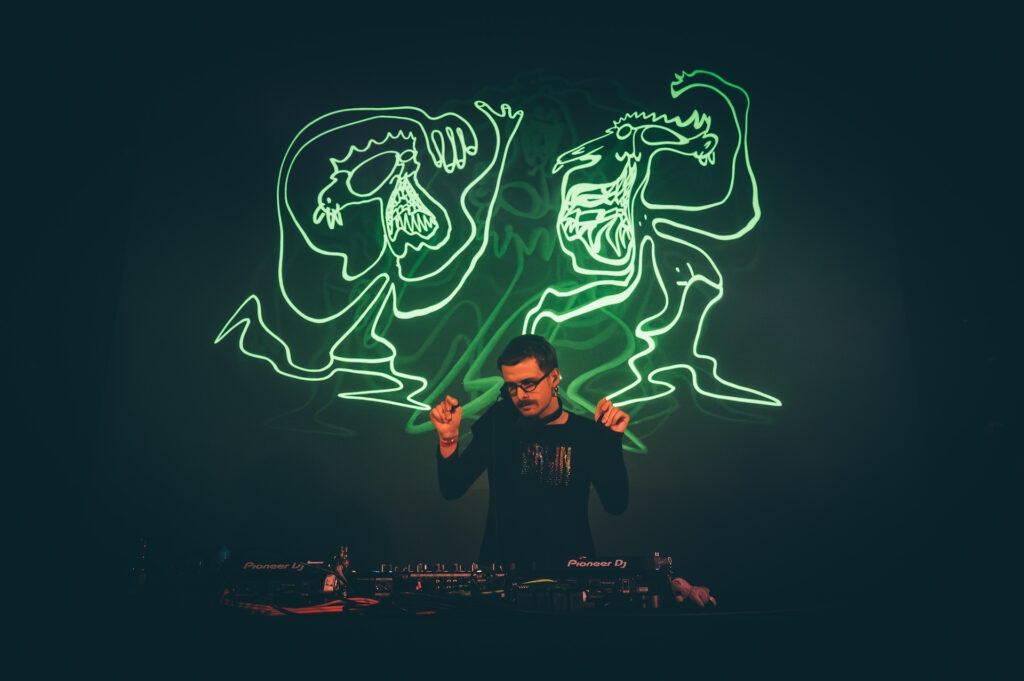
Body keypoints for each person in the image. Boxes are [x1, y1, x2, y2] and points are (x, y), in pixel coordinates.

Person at [429, 334, 630, 569]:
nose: (521, 395)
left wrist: (610, 441)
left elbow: (615, 504)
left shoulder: (584, 433)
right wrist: (448, 437)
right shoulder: (499, 423)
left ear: (553, 378)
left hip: (569, 573)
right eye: (512, 387)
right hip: (503, 576)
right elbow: (452, 487)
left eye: (529, 383)